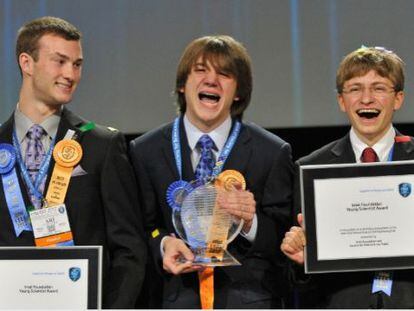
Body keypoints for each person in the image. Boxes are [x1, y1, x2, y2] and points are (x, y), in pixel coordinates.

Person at [129, 35, 293, 308]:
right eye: (201, 70)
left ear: (238, 91)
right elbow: (137, 231)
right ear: (183, 84)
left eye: (225, 74)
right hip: (175, 299)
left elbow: (284, 241)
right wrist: (163, 245)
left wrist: (250, 222)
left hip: (249, 300)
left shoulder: (272, 151)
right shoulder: (145, 150)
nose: (211, 80)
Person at [0, 16, 146, 308]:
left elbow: (130, 250)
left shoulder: (102, 146)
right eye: (60, 61)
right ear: (26, 63)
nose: (71, 74)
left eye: (77, 64)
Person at [281, 46, 414, 308]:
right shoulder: (311, 170)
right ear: (342, 101)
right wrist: (302, 260)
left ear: (398, 98)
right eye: (355, 89)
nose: (366, 99)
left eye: (378, 88)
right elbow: (299, 281)